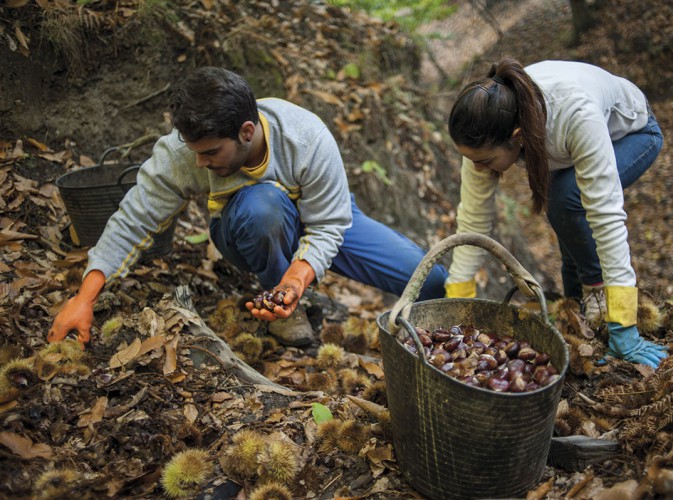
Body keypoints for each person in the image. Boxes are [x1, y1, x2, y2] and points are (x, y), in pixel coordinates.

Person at [48, 67, 447, 348]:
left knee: (432, 282)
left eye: (210, 152)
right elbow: (133, 218)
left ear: (246, 131)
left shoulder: (306, 137)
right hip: (246, 226)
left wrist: (298, 277)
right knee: (263, 207)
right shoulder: (183, 153)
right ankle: (283, 312)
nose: (200, 163)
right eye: (194, 152)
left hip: (324, 218)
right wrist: (85, 296)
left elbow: (328, 224)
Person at [444, 57, 668, 368]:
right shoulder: (488, 132)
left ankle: (600, 297)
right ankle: (580, 313)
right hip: (567, 151)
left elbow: (605, 216)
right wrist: (459, 301)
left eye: (484, 160)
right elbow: (473, 220)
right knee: (567, 237)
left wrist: (623, 321)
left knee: (565, 199)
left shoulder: (574, 112)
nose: (477, 167)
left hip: (632, 134)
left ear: (517, 136)